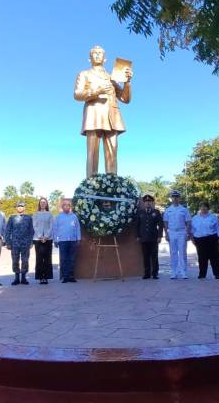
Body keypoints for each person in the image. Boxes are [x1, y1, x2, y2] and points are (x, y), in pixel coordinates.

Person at [73, 45, 133, 177]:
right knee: (92, 152)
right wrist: (97, 91)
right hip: (93, 115)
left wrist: (127, 83)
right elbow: (77, 94)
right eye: (95, 53)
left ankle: (112, 184)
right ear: (90, 58)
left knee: (112, 152)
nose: (98, 55)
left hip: (112, 116)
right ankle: (91, 183)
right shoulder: (84, 74)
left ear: (105, 58)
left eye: (100, 53)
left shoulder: (112, 77)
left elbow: (125, 98)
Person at [163, 190, 192, 279]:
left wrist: (187, 233)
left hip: (181, 232)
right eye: (173, 197)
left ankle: (183, 272)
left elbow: (188, 222)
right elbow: (165, 223)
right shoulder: (168, 210)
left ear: (179, 198)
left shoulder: (184, 209)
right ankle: (174, 272)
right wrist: (166, 234)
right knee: (173, 253)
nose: (175, 198)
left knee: (183, 252)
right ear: (171, 198)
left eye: (177, 197)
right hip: (171, 232)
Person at [191, 202, 219, 279]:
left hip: (212, 238)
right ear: (199, 208)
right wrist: (192, 238)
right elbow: (192, 230)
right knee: (202, 257)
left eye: (205, 207)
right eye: (202, 207)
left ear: (208, 208)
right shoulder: (195, 218)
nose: (203, 208)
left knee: (215, 257)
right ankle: (202, 274)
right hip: (200, 239)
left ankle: (217, 274)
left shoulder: (213, 217)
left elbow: (218, 227)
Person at [135, 194, 164, 279]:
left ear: (152, 203)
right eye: (146, 202)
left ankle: (155, 273)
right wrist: (137, 236)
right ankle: (147, 273)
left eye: (149, 202)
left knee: (154, 256)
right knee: (145, 256)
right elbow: (137, 225)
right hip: (143, 238)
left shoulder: (156, 212)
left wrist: (159, 236)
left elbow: (161, 225)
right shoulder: (140, 213)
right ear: (144, 203)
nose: (148, 203)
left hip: (153, 238)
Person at [6, 202, 34, 286]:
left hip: (25, 243)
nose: (20, 208)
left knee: (25, 261)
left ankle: (24, 277)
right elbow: (8, 230)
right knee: (15, 261)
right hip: (15, 243)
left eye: (22, 206)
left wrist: (31, 242)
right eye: (19, 206)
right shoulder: (12, 218)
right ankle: (16, 278)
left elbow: (31, 231)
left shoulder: (29, 218)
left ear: (24, 208)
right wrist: (8, 242)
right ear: (16, 208)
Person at [54, 199, 81, 283]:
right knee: (64, 259)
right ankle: (65, 277)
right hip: (62, 241)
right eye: (65, 205)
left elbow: (77, 228)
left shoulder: (74, 216)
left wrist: (78, 238)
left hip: (72, 240)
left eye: (68, 205)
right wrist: (55, 240)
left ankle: (71, 276)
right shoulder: (58, 217)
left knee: (72, 259)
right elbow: (55, 229)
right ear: (62, 207)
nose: (66, 206)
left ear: (70, 207)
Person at [33, 198, 55, 284]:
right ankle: (40, 277)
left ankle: (46, 277)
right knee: (39, 259)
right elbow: (34, 226)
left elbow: (51, 226)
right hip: (37, 239)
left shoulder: (50, 214)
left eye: (44, 202)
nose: (42, 204)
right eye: (41, 202)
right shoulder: (35, 214)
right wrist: (40, 236)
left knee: (47, 258)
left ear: (46, 204)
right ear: (39, 204)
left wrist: (46, 236)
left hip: (48, 239)